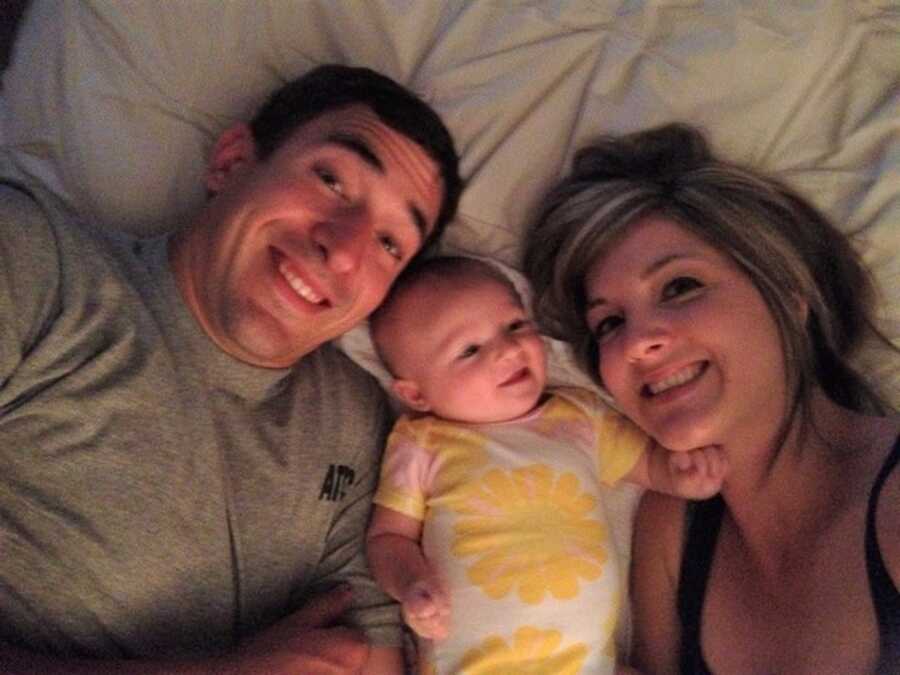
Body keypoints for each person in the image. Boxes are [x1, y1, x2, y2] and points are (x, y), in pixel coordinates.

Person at [0, 64, 463, 674]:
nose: (344, 249)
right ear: (232, 162)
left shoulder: (356, 419)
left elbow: (367, 656)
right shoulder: (34, 264)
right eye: (331, 179)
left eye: (390, 244)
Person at [523, 123, 900, 674]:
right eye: (608, 322)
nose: (637, 343)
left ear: (788, 295)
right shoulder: (669, 528)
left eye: (680, 287)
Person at [364, 256, 727, 674]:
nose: (508, 348)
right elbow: (389, 538)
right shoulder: (422, 442)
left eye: (515, 325)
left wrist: (681, 475)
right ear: (415, 394)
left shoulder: (580, 417)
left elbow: (647, 465)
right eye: (469, 350)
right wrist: (411, 582)